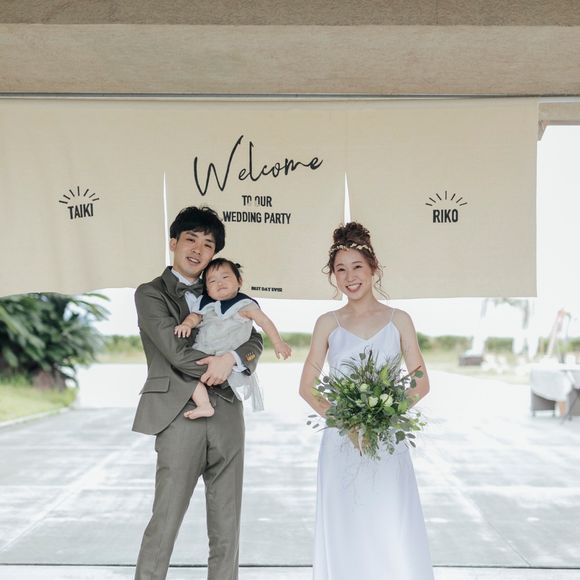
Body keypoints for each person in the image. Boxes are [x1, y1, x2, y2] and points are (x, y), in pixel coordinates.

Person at [132, 206, 263, 580]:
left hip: (227, 410)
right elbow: (174, 351)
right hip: (179, 411)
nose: (198, 249)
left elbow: (255, 340)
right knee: (166, 518)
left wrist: (232, 359)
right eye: (191, 239)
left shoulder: (224, 289)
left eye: (208, 244)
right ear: (173, 243)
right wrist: (217, 365)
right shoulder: (150, 293)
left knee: (227, 520)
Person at [299, 222, 434, 580]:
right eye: (340, 269)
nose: (350, 277)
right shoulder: (327, 322)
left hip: (386, 440)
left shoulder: (399, 320)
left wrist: (380, 419)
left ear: (374, 268)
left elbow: (420, 381)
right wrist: (348, 422)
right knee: (346, 525)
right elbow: (308, 387)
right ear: (333, 276)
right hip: (340, 442)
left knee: (389, 522)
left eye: (357, 266)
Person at [174, 257, 292, 419]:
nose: (219, 283)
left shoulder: (244, 305)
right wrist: (186, 325)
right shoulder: (205, 304)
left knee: (198, 378)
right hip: (203, 353)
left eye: (225, 277)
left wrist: (278, 343)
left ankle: (208, 403)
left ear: (239, 281)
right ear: (207, 289)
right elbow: (195, 317)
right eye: (212, 281)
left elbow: (264, 322)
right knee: (186, 377)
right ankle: (204, 405)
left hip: (227, 358)